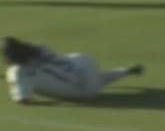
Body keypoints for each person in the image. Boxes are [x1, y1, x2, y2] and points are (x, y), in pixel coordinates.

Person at [5, 36, 143, 104]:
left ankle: (123, 72)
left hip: (83, 95)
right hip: (85, 64)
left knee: (84, 83)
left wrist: (10, 80)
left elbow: (24, 100)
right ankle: (125, 71)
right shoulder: (40, 49)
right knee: (89, 77)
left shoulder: (18, 71)